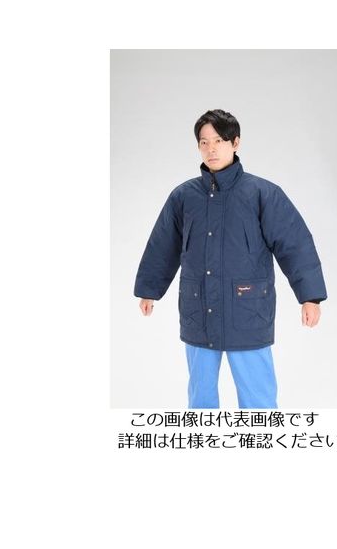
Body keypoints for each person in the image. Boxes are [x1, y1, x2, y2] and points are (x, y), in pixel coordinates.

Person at [134, 109, 327, 409]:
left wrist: (310, 296)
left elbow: (295, 243)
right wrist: (149, 289)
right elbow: (163, 245)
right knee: (200, 399)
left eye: (219, 141)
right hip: (199, 310)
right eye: (204, 142)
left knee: (258, 400)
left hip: (248, 312)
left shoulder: (262, 193)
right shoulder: (184, 197)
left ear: (235, 143)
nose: (211, 149)